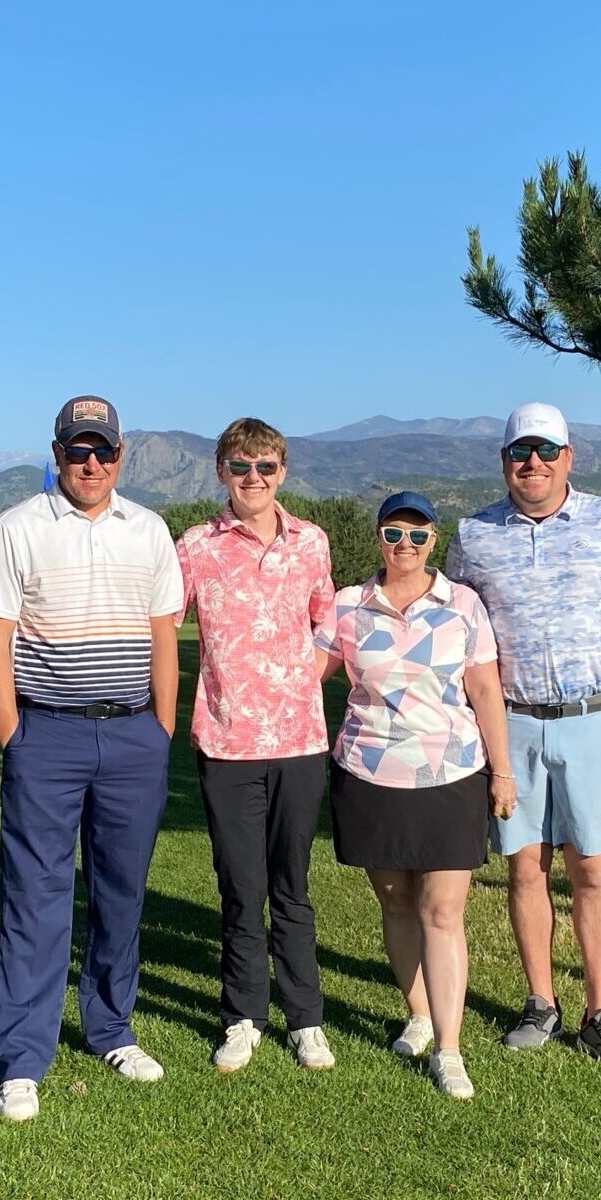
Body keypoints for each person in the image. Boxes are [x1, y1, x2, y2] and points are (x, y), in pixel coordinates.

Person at [0, 394, 184, 1122]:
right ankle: (23, 1059)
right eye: (76, 450)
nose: (90, 463)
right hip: (48, 735)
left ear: (121, 455)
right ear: (57, 453)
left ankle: (111, 1029)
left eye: (102, 449)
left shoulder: (150, 530)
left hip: (132, 738)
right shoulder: (17, 527)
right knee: (35, 897)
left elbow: (163, 639)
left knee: (121, 892)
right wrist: (15, 737)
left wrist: (160, 730)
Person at [447, 402, 601, 1071]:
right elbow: (456, 628)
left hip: (589, 719)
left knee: (592, 870)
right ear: (504, 462)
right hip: (511, 720)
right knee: (525, 869)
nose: (534, 463)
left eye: (547, 451)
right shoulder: (476, 533)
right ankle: (540, 1001)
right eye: (521, 452)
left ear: (569, 457)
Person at [315, 492, 515, 1100]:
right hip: (368, 773)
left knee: (443, 911)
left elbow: (484, 688)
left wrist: (502, 773)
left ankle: (450, 1051)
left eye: (418, 536)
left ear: (435, 542)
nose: (405, 546)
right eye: (393, 533)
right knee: (397, 903)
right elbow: (308, 673)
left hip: (452, 773)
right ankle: (419, 1014)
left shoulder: (462, 604)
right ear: (378, 537)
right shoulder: (349, 605)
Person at [175, 417, 337, 1074]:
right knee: (241, 890)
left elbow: (328, 627)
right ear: (221, 472)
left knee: (292, 888)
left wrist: (299, 681)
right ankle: (243, 1016)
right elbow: (162, 626)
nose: (253, 479)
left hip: (300, 742)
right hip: (227, 743)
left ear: (283, 473)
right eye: (240, 467)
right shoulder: (196, 547)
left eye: (265, 467)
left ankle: (307, 1019)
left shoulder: (312, 544)